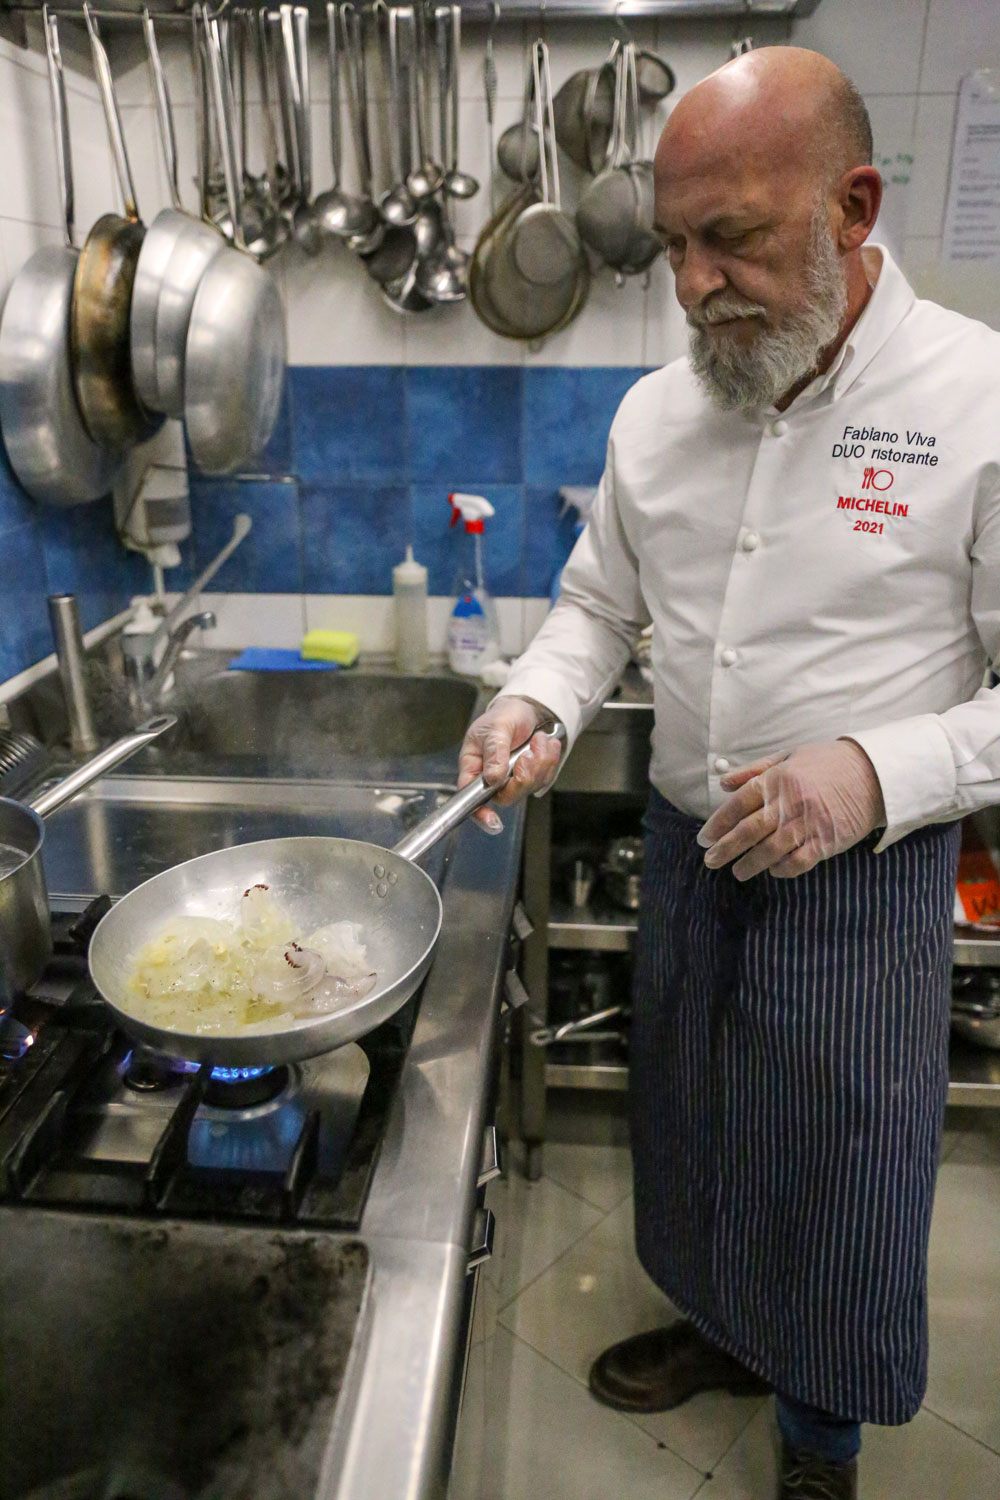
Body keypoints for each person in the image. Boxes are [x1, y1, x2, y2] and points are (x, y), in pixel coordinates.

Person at [456, 44, 1000, 1500]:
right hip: (690, 856)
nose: (694, 285)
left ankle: (820, 1442)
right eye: (678, 245)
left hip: (864, 889)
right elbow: (593, 612)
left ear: (852, 205)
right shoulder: (658, 415)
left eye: (734, 240)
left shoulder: (979, 402)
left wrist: (877, 771)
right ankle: (725, 1330)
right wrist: (535, 701)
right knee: (690, 1134)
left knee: (838, 1180)